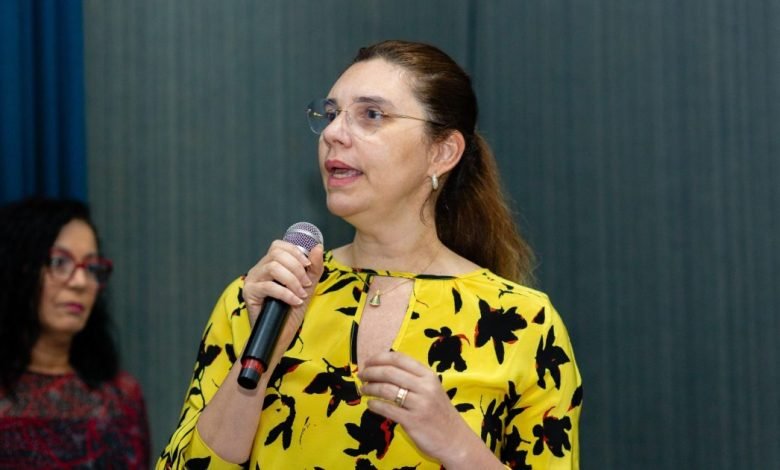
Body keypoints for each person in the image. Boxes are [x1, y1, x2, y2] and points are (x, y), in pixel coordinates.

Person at [159, 39, 581, 469]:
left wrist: (458, 446)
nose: (333, 134)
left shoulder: (523, 323)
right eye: (331, 114)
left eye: (371, 115)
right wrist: (260, 362)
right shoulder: (264, 296)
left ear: (442, 152)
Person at [0, 197, 150, 468]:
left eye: (92, 268)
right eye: (60, 262)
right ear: (18, 268)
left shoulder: (121, 397)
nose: (80, 282)